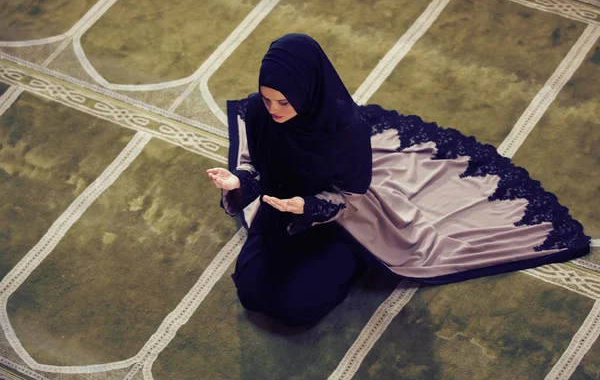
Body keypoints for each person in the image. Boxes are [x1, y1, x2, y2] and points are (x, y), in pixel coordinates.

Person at [207, 33, 590, 326]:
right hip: (280, 213)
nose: (273, 109)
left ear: (307, 91)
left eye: (283, 102)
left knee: (297, 307)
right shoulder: (257, 112)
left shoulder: (346, 130)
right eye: (267, 98)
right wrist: (240, 183)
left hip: (340, 223)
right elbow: (259, 169)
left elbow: (350, 196)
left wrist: (308, 207)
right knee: (252, 292)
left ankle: (360, 261)